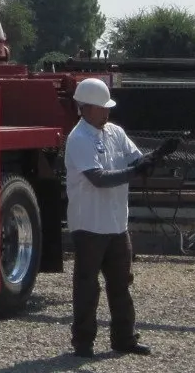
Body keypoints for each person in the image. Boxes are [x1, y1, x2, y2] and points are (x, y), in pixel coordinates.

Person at [63, 76, 152, 357]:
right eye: (102, 107)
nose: (107, 112)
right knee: (88, 285)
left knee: (121, 283)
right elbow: (98, 179)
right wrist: (135, 172)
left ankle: (124, 338)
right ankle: (84, 342)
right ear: (85, 108)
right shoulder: (78, 139)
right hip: (89, 224)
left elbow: (136, 159)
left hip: (116, 222)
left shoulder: (115, 132)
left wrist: (153, 159)